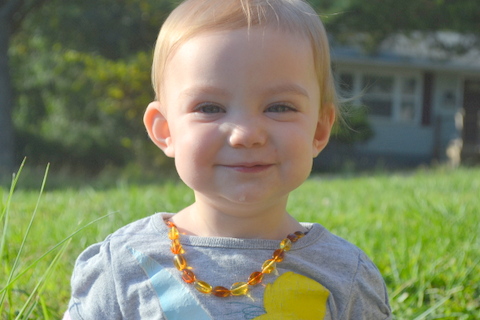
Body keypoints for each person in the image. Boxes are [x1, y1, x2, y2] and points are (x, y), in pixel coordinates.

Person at [64, 0, 392, 319]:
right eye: (210, 108)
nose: (246, 134)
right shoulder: (122, 266)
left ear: (319, 131)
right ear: (165, 130)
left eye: (279, 107)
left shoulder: (345, 275)